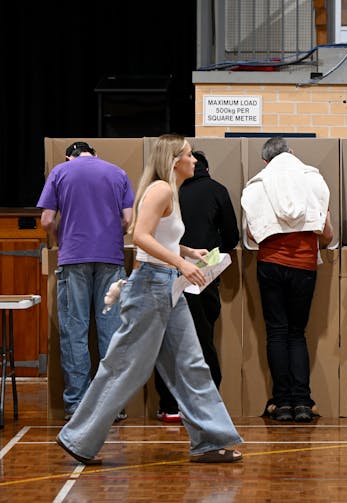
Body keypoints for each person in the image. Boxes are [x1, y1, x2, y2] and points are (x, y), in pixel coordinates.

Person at [56, 134, 243, 465]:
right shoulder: (161, 190)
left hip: (166, 285)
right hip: (152, 286)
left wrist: (186, 251)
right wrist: (181, 262)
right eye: (189, 155)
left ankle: (212, 441)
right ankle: (78, 438)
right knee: (124, 367)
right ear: (174, 160)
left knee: (191, 365)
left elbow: (157, 237)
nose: (195, 160)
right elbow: (139, 236)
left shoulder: (170, 191)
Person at [37, 141, 134, 422]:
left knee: (75, 331)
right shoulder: (117, 173)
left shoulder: (60, 171)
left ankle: (78, 404)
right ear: (95, 154)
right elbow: (128, 220)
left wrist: (60, 238)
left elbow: (45, 220)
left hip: (73, 257)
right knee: (112, 332)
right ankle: (111, 405)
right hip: (111, 259)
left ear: (70, 157)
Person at [241, 136, 333, 423]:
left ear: (266, 160)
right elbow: (327, 234)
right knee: (297, 333)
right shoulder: (313, 179)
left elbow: (253, 235)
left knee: (276, 333)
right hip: (304, 263)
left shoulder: (258, 183)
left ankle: (281, 403)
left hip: (270, 263)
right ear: (292, 153)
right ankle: (303, 403)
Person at [154, 150, 240, 422]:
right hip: (203, 275)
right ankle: (207, 404)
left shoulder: (166, 192)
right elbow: (231, 236)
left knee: (168, 342)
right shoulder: (216, 190)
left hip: (166, 272)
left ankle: (170, 406)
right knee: (203, 340)